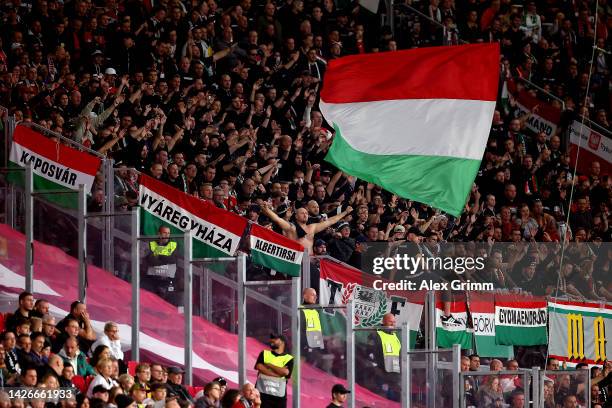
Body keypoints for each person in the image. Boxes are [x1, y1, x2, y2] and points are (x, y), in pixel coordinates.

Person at [261, 201, 353, 253]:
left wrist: (345, 212)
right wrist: (266, 209)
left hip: (311, 261)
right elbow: (278, 219)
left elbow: (330, 221)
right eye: (302, 213)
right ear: (296, 216)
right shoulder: (291, 228)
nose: (305, 215)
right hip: (296, 262)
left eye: (306, 213)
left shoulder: (312, 227)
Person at [254, 334, 294, 408]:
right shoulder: (264, 353)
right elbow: (259, 367)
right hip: (262, 394)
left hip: (278, 397)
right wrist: (277, 374)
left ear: (282, 342)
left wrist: (269, 364)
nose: (271, 341)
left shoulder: (289, 358)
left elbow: (285, 372)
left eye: (275, 339)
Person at [143, 225, 179, 301]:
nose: (167, 235)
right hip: (152, 280)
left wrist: (158, 256)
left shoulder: (173, 245)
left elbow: (171, 261)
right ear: (159, 234)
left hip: (166, 281)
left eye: (168, 233)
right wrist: (164, 259)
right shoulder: (151, 244)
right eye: (164, 233)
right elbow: (150, 260)